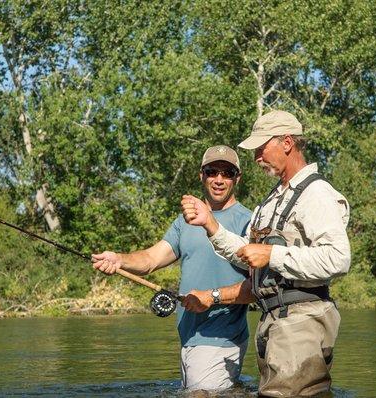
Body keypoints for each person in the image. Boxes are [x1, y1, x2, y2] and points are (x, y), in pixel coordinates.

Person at [180, 110, 351, 397]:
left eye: (262, 147)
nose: (257, 156)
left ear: (286, 143)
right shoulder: (271, 201)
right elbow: (249, 254)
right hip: (274, 323)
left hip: (302, 322)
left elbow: (338, 259)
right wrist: (211, 225)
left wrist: (272, 255)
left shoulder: (317, 194)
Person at [92, 145, 252, 392]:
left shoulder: (250, 222)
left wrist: (211, 297)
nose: (219, 179)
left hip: (221, 338)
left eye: (227, 173)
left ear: (237, 178)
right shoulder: (184, 222)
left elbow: (260, 288)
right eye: (212, 171)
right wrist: (119, 259)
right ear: (202, 175)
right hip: (188, 336)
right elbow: (150, 260)